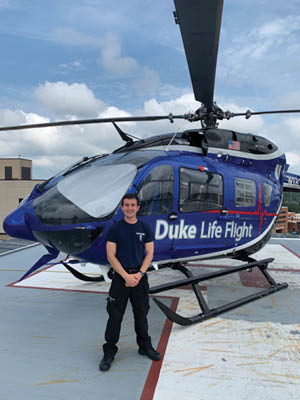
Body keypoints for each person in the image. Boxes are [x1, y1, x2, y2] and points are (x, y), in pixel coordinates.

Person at [99, 193, 161, 372]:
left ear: (138, 207)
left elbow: (149, 253)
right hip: (120, 279)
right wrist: (126, 276)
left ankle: (144, 346)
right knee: (115, 316)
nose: (129, 208)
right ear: (122, 207)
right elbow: (111, 255)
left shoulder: (145, 227)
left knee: (141, 315)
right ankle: (109, 351)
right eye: (126, 205)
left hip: (139, 278)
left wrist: (140, 274)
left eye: (133, 205)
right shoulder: (115, 229)